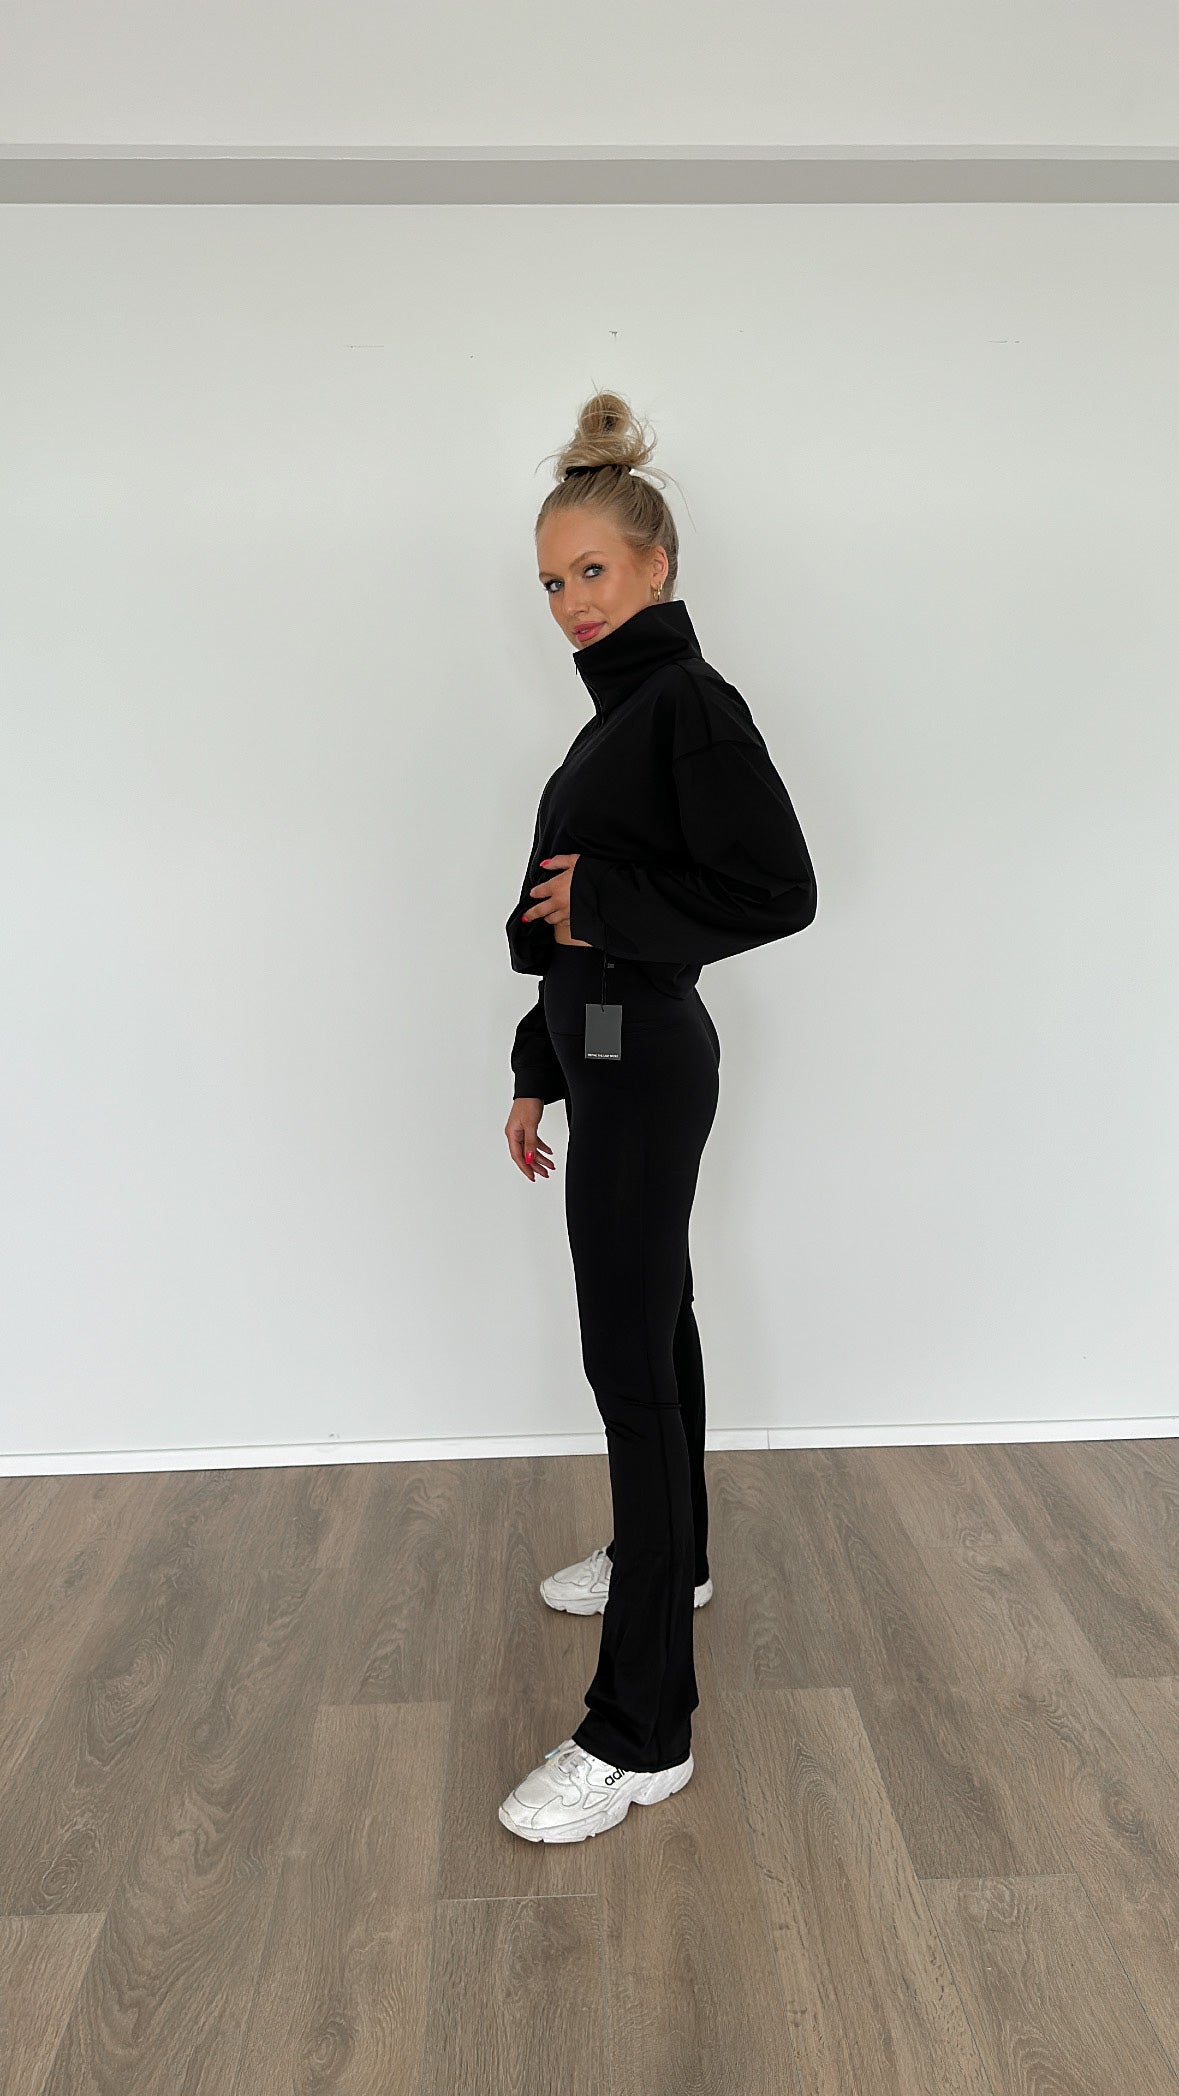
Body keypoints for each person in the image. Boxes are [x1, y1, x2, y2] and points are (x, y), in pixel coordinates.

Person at [497, 389, 818, 1843]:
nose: (572, 601)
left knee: (626, 1354)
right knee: (653, 1325)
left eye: (594, 572)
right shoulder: (619, 717)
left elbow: (775, 890)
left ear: (658, 568)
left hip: (649, 1059)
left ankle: (641, 1735)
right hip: (606, 1054)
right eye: (552, 581)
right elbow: (565, 924)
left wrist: (608, 906)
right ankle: (665, 1558)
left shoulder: (688, 705)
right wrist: (537, 1062)